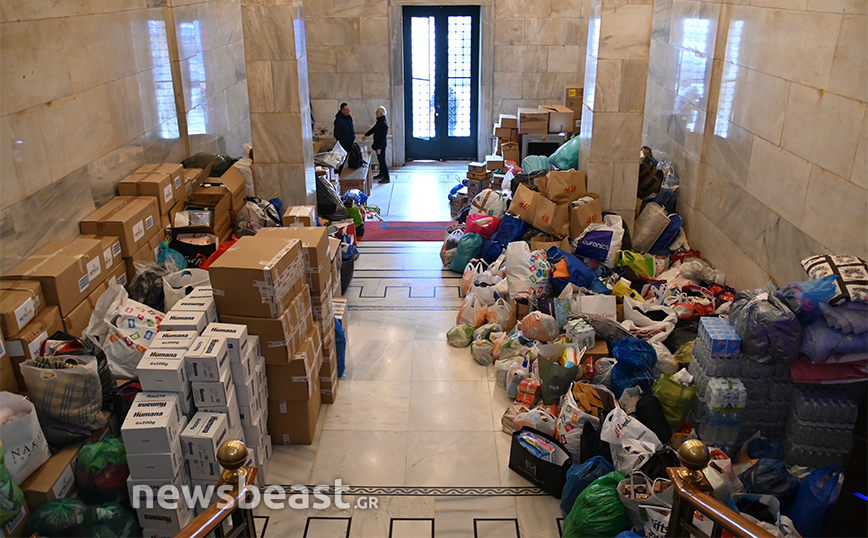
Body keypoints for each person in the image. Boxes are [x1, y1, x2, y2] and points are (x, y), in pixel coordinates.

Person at [362, 106, 390, 184]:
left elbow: (382, 138)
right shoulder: (380, 122)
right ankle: (381, 174)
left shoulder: (383, 124)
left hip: (381, 146)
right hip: (378, 145)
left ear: (381, 113)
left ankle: (386, 177)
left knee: (382, 161)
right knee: (380, 160)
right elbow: (374, 129)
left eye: (377, 112)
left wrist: (379, 148)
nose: (376, 113)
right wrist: (366, 135)